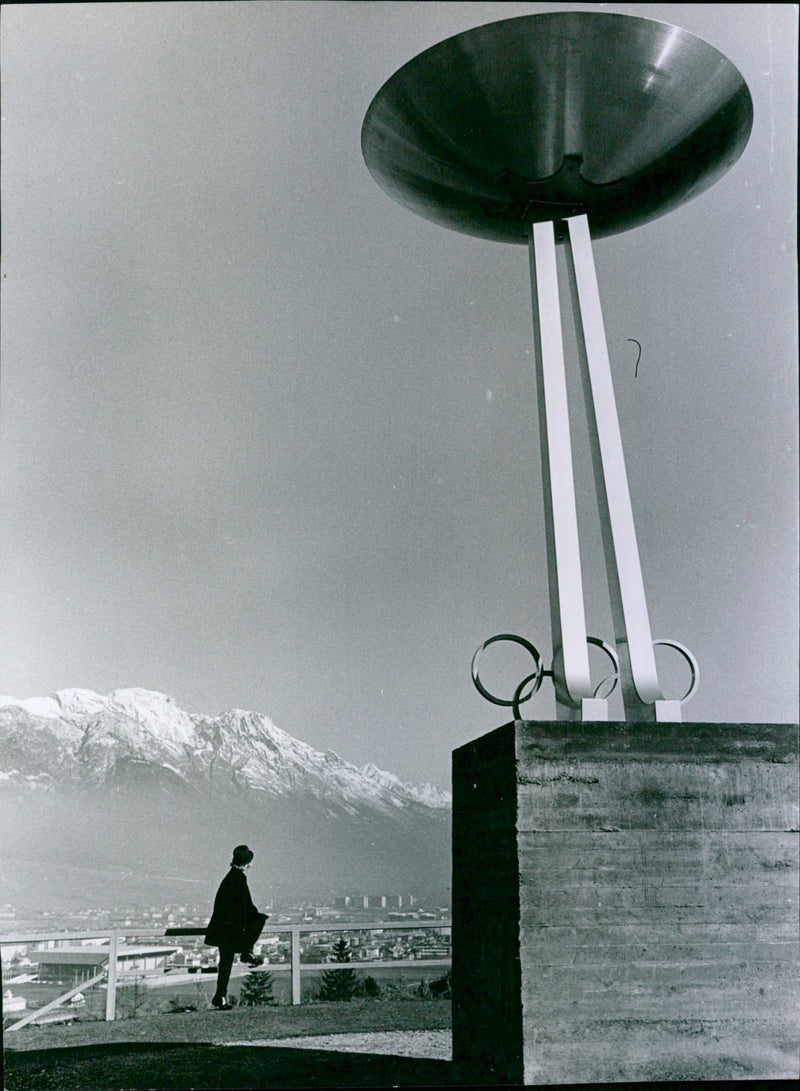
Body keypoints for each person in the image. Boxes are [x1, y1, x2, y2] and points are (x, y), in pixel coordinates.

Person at [204, 844, 269, 1010]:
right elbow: (245, 904)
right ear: (247, 863)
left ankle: (220, 996)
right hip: (230, 929)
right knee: (260, 919)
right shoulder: (239, 878)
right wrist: (254, 916)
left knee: (225, 963)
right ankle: (247, 951)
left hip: (222, 928)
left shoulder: (230, 877)